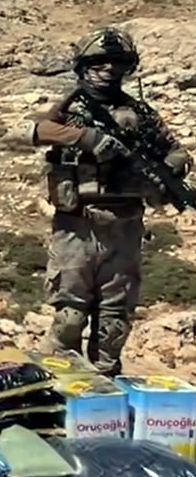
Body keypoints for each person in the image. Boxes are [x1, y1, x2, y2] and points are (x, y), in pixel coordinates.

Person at [12, 27, 191, 375]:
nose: (109, 69)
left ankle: (106, 389)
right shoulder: (71, 108)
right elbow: (24, 131)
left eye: (118, 63)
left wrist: (164, 170)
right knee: (69, 316)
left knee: (114, 321)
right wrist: (85, 137)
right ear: (84, 66)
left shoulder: (140, 113)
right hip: (77, 226)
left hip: (125, 227)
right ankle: (63, 386)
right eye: (101, 62)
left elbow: (177, 152)